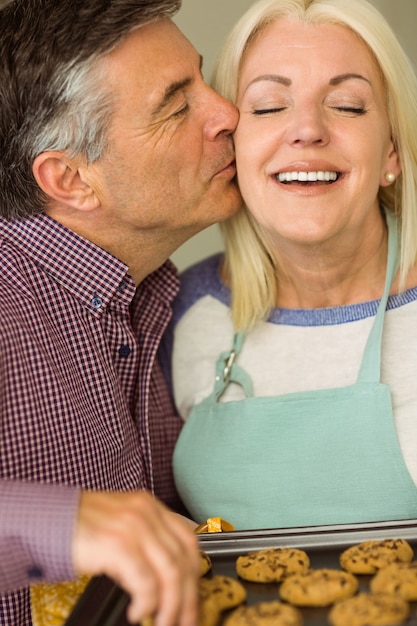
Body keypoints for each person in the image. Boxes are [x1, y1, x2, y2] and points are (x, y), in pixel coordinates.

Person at [0, 0, 242, 624]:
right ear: (72, 180)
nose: (228, 114)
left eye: (203, 80)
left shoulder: (156, 295)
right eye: (177, 105)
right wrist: (70, 523)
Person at [164, 0, 417, 532]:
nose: (307, 130)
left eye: (347, 105)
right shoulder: (178, 311)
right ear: (231, 146)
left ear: (391, 152)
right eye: (268, 106)